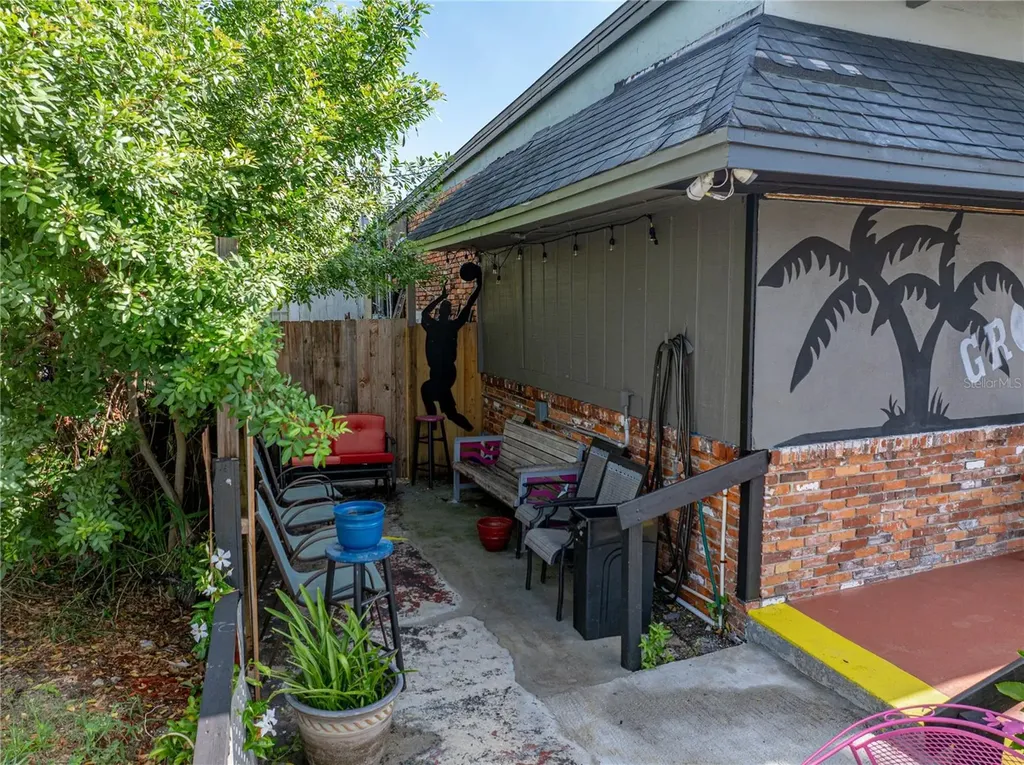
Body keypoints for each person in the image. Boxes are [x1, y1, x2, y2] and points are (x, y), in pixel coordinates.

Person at [420, 268, 481, 430]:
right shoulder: (438, 326)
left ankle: (434, 427)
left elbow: (425, 313)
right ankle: (440, 426)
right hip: (439, 373)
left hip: (446, 373)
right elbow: (468, 305)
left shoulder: (442, 327)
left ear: (442, 312)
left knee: (429, 391)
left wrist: (441, 297)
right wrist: (478, 286)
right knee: (449, 411)